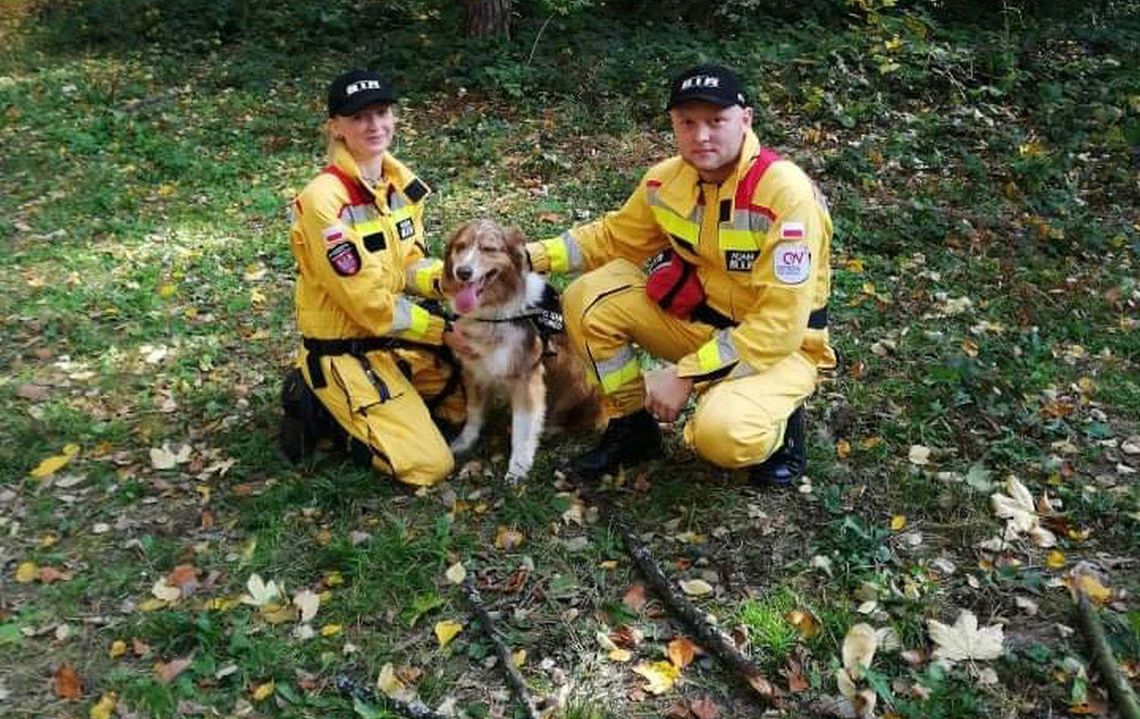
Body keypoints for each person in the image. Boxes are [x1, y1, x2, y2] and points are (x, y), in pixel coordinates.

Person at [525, 63, 835, 485]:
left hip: (779, 348)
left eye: (716, 121)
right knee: (589, 298)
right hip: (703, 327)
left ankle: (780, 429)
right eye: (687, 122)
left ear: (745, 120)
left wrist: (685, 375)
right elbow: (611, 239)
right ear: (673, 124)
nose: (701, 135)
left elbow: (780, 325)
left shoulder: (783, 193)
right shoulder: (667, 181)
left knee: (722, 436)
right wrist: (524, 258)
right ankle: (632, 428)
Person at [279, 68, 467, 487]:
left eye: (382, 112)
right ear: (337, 128)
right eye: (360, 117)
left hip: (389, 341)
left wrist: (450, 281)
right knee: (430, 465)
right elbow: (367, 303)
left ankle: (393, 389)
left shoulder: (398, 187)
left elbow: (409, 266)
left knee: (466, 409)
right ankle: (316, 405)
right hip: (344, 349)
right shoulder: (324, 201)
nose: (375, 125)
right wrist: (442, 331)